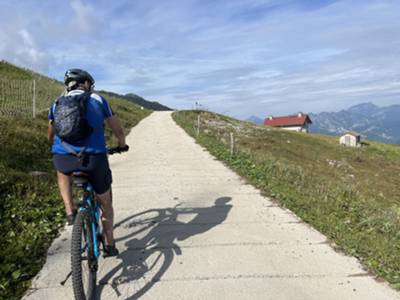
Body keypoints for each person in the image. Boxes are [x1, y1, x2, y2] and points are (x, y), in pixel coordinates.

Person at [48, 68, 127, 257]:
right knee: (105, 203)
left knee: (61, 172)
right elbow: (116, 128)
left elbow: (50, 135)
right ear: (85, 84)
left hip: (64, 158)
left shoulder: (57, 103)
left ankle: (69, 210)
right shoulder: (98, 100)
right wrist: (122, 143)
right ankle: (109, 243)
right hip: (94, 159)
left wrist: (58, 149)